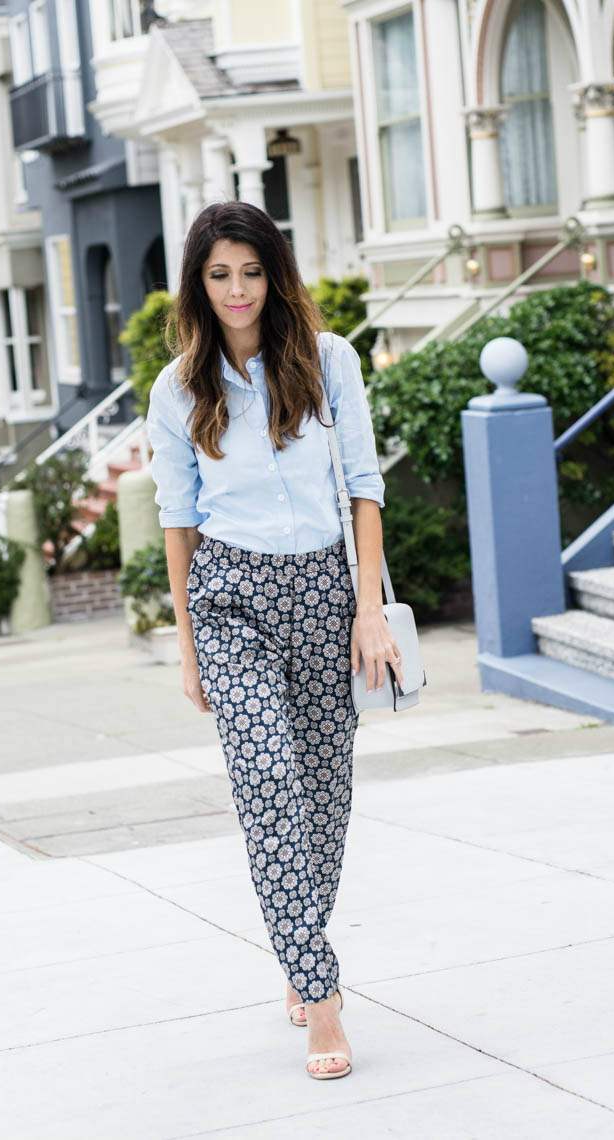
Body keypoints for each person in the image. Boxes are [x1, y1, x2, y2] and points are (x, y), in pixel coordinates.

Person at [146, 200, 403, 1081]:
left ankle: (300, 946)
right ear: (198, 283)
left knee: (324, 802)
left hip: (328, 595)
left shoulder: (330, 363)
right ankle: (321, 997)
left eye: (250, 271)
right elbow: (178, 526)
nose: (238, 290)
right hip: (230, 602)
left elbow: (364, 488)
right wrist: (188, 647)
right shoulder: (179, 387)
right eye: (219, 275)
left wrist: (366, 610)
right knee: (267, 787)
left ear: (274, 274)